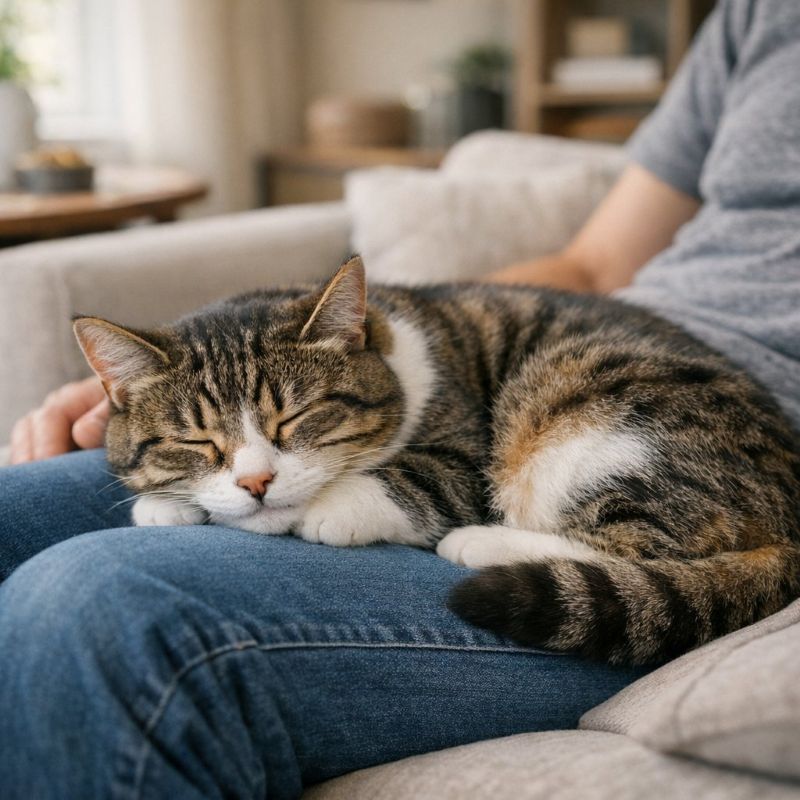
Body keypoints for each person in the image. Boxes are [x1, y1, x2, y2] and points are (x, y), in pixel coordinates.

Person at [2, 2, 799, 797]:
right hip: (612, 333)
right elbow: (594, 263)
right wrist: (158, 388)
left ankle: (615, 551)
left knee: (97, 607)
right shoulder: (755, 15)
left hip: (701, 428)